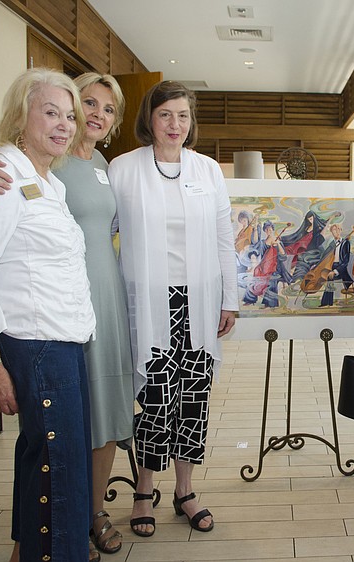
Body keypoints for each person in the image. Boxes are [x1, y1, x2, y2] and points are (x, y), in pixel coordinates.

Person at [0, 72, 132, 562]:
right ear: (19, 117)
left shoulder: (45, 180)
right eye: (52, 111)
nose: (66, 123)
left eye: (69, 115)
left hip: (64, 341)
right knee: (62, 469)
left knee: (46, 463)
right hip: (35, 344)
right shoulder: (1, 177)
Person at [107, 80, 238, 537]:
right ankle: (144, 490)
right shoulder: (122, 169)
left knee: (194, 397)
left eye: (183, 116)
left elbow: (225, 239)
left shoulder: (208, 170)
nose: (175, 124)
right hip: (147, 301)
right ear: (150, 118)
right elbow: (103, 234)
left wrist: (230, 299)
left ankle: (185, 490)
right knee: (156, 397)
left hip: (198, 300)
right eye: (166, 115)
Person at [319, 223, 353, 307]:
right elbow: (325, 256)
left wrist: (335, 271)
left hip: (341, 267)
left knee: (330, 277)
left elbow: (345, 261)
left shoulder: (345, 243)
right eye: (334, 229)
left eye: (338, 229)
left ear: (341, 230)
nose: (337, 231)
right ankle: (326, 301)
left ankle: (327, 302)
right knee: (324, 276)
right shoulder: (331, 244)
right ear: (331, 232)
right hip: (331, 265)